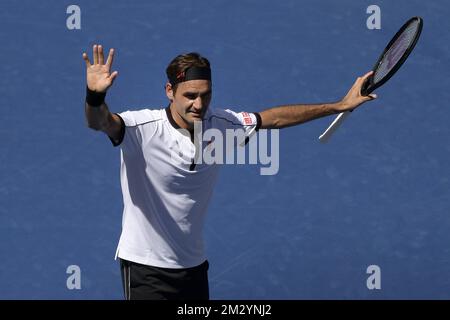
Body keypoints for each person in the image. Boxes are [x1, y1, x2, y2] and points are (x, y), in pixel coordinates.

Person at [82, 44, 376, 300]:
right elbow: (100, 122)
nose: (199, 105)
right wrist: (95, 97)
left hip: (193, 267)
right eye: (190, 96)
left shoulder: (222, 124)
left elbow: (273, 119)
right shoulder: (141, 129)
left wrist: (339, 104)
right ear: (169, 91)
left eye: (206, 95)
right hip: (146, 268)